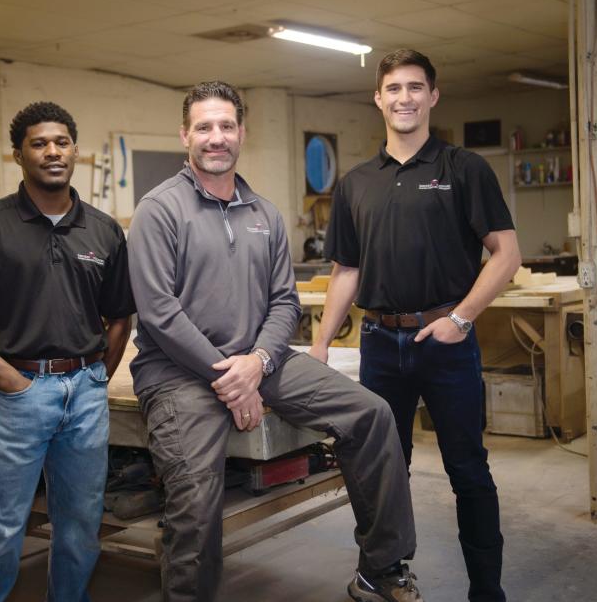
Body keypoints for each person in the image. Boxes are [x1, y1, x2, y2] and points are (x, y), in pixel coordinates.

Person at [127, 81, 422, 602]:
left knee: (372, 416)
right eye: (203, 127)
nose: (215, 137)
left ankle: (382, 569)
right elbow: (158, 313)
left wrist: (258, 362)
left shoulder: (264, 213)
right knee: (196, 500)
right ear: (185, 136)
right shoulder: (160, 209)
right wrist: (232, 378)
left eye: (225, 126)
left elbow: (285, 302)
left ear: (241, 133)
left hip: (263, 360)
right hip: (178, 373)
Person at [310, 49, 521, 602]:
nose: (404, 98)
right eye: (394, 89)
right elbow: (346, 270)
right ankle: (384, 575)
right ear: (378, 98)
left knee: (467, 469)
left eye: (415, 87)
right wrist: (320, 344)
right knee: (384, 471)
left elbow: (505, 254)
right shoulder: (356, 183)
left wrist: (460, 317)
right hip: (380, 343)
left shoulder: (463, 168)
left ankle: (487, 591)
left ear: (433, 95)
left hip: (446, 343)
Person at [0, 101, 135, 602]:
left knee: (80, 527)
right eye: (39, 143)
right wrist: (9, 381)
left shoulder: (103, 230)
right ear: (18, 155)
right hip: (20, 397)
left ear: (75, 152)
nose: (52, 152)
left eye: (61, 142)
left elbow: (120, 316)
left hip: (85, 395)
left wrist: (95, 378)